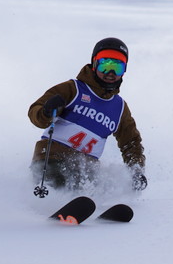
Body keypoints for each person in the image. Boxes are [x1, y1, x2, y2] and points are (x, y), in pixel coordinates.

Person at [28, 37, 148, 192]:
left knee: (103, 186)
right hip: (52, 160)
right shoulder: (72, 89)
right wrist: (46, 111)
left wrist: (135, 170)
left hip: (86, 169)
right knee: (63, 183)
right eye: (105, 65)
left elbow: (131, 143)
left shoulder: (119, 108)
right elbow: (35, 112)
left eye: (117, 67)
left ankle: (96, 207)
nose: (110, 73)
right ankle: (55, 203)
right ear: (94, 64)